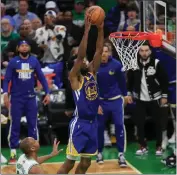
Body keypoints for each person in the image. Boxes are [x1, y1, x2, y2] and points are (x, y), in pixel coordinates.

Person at [57, 17, 104, 174]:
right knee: (69, 163)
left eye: (85, 60)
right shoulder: (74, 78)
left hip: (93, 123)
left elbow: (98, 50)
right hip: (80, 125)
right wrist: (86, 32)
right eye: (82, 60)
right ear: (75, 66)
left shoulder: (92, 73)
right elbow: (80, 55)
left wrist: (100, 29)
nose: (85, 60)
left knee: (85, 163)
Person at [3, 40, 50, 164]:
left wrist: (47, 93)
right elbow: (6, 80)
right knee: (15, 125)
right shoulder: (13, 62)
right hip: (16, 98)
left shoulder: (34, 61)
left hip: (30, 98)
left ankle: (32, 154)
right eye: (22, 46)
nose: (24, 48)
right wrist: (5, 94)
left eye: (26, 45)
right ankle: (13, 154)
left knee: (32, 124)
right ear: (18, 49)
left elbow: (41, 77)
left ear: (29, 48)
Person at [127, 42, 169, 156]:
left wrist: (164, 95)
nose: (144, 53)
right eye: (142, 50)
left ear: (150, 51)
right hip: (140, 99)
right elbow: (129, 80)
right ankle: (142, 145)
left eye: (146, 50)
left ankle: (159, 146)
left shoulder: (156, 63)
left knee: (158, 123)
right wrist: (129, 93)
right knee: (140, 123)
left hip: (155, 98)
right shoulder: (134, 64)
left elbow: (164, 80)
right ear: (139, 52)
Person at [96, 44, 128, 167]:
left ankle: (121, 154)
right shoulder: (94, 66)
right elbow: (91, 86)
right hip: (101, 101)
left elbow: (122, 82)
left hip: (115, 100)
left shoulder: (117, 65)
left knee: (119, 125)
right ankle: (99, 153)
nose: (103, 54)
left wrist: (125, 95)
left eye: (106, 51)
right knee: (99, 127)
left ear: (109, 53)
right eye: (101, 51)